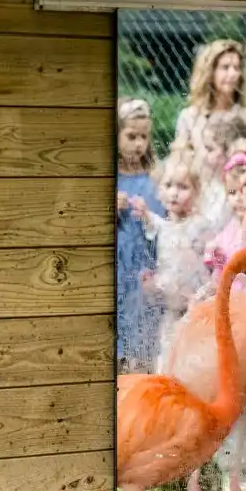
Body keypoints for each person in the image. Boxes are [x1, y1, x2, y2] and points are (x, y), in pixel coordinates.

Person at [132, 150, 214, 368]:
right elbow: (158, 226)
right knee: (167, 358)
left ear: (197, 192)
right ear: (159, 191)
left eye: (183, 187)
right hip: (170, 310)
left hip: (195, 309)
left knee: (195, 360)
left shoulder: (201, 225)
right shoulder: (165, 226)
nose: (174, 193)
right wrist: (153, 282)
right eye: (168, 186)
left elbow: (214, 262)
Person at [113, 98, 162, 372]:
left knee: (141, 334)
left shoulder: (154, 179)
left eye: (143, 137)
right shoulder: (109, 178)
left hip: (142, 269)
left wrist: (149, 216)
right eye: (131, 136)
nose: (138, 144)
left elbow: (162, 225)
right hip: (118, 268)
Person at [173, 39, 246, 160]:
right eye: (225, 67)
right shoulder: (189, 117)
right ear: (209, 72)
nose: (233, 73)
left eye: (237, 67)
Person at [203, 144, 246, 296]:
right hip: (231, 299)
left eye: (244, 191)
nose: (239, 198)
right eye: (232, 192)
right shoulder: (229, 229)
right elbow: (220, 273)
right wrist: (216, 253)